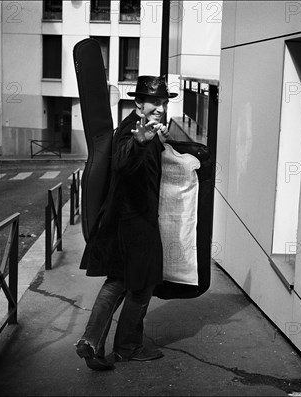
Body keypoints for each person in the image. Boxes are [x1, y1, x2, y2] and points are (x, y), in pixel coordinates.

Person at [75, 75, 177, 371]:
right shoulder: (133, 131)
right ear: (138, 103)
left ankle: (91, 342)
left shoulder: (147, 128)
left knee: (119, 280)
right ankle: (127, 348)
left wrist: (159, 141)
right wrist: (140, 142)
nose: (160, 107)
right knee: (141, 284)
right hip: (135, 222)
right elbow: (122, 161)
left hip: (127, 219)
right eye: (154, 102)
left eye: (163, 102)